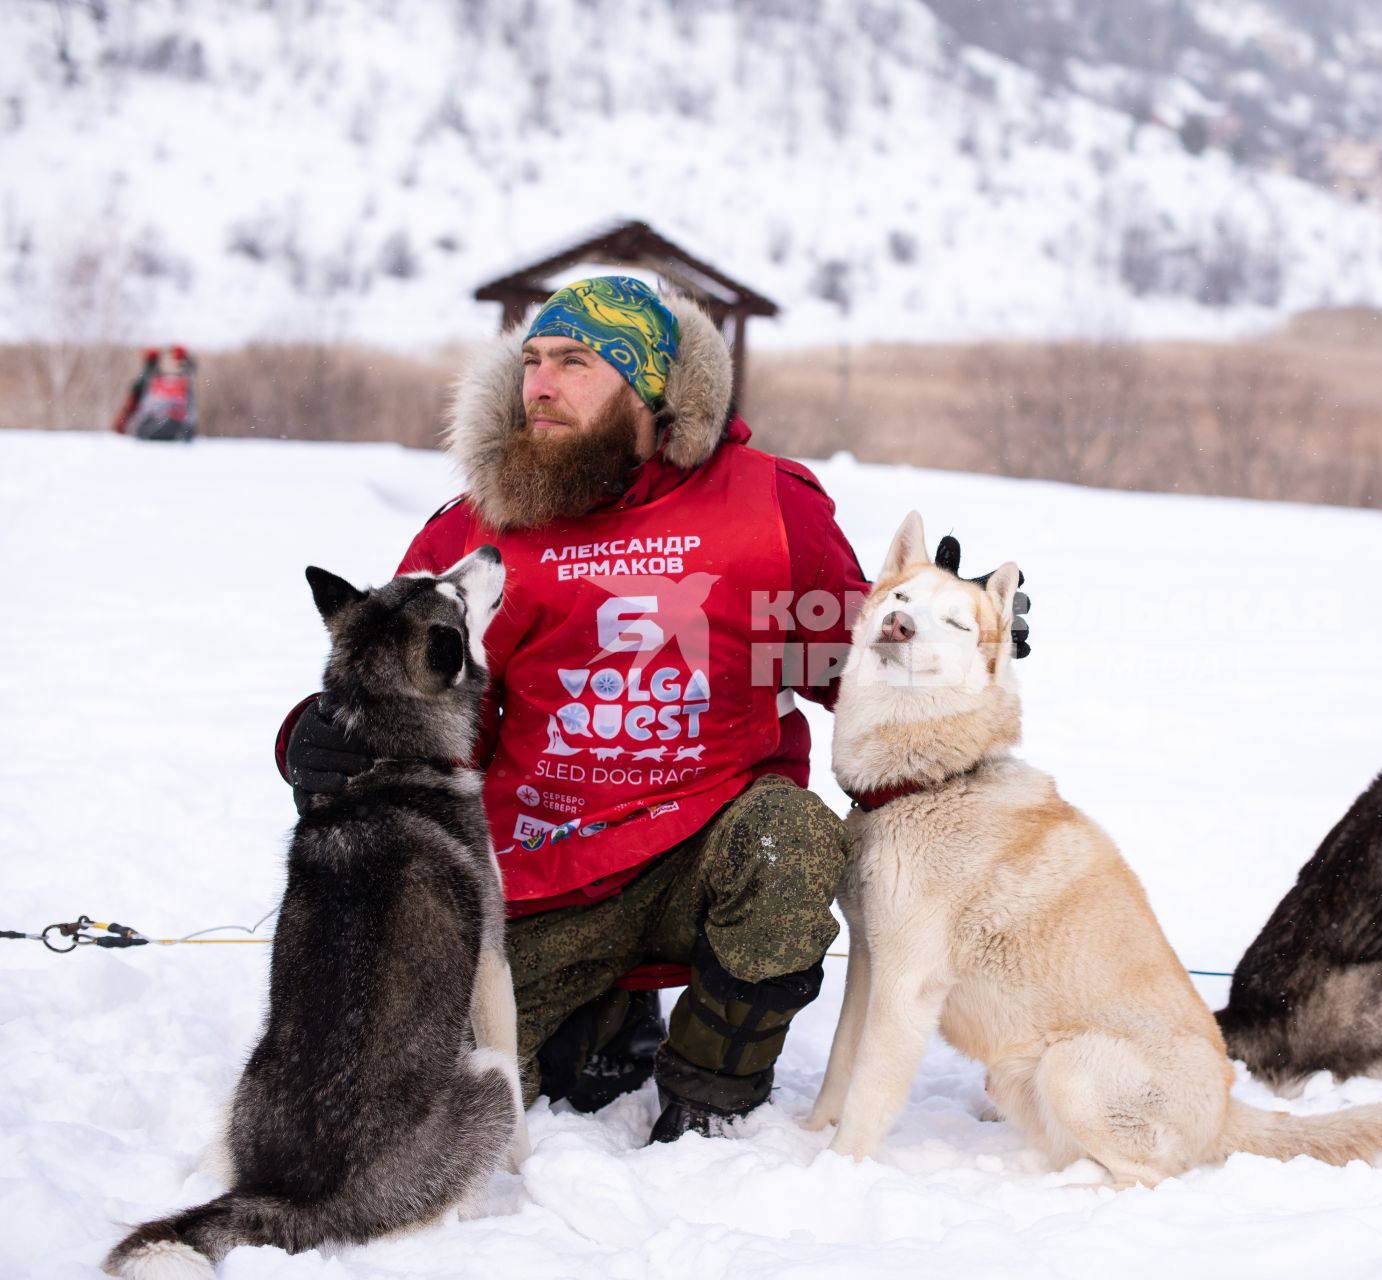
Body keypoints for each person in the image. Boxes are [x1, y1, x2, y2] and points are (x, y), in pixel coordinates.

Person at [278, 277, 1029, 1142]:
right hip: (532, 878)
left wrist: (946, 645)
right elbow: (412, 686)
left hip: (703, 849)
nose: (540, 385)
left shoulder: (770, 506)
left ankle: (710, 1097)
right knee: (452, 1099)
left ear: (651, 389)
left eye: (575, 361)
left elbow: (845, 662)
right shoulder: (475, 533)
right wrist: (319, 738)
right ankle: (598, 1015)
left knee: (793, 837)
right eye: (531, 361)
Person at [125, 344, 198, 441]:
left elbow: (189, 413)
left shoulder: (184, 383)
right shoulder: (151, 379)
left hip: (175, 426)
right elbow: (141, 407)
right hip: (152, 424)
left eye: (177, 362)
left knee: (172, 422)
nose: (172, 365)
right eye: (169, 360)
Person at [111, 348, 161, 435]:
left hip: (141, 399)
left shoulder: (146, 374)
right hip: (150, 403)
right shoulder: (156, 374)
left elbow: (136, 390)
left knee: (128, 410)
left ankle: (120, 429)